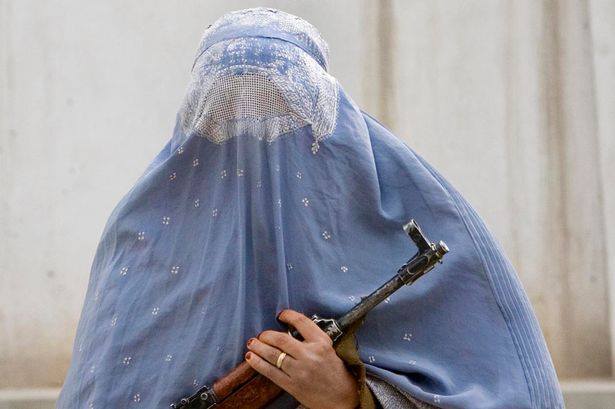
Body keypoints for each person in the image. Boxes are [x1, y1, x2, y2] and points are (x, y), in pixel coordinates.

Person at [57, 7, 564, 409]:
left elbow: (503, 392)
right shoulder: (140, 240)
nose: (258, 150)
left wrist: (349, 396)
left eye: (284, 114)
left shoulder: (416, 224)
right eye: (226, 117)